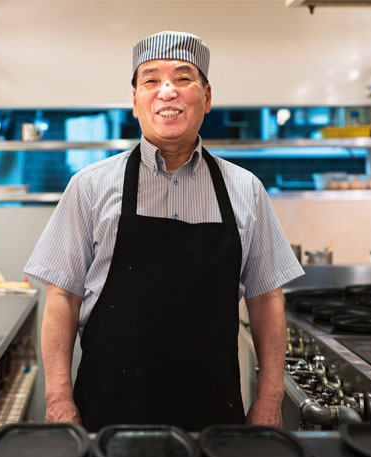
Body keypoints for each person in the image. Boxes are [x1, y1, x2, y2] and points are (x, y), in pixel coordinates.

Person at [24, 31, 304, 432]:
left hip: (213, 415)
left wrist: (270, 398)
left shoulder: (246, 190)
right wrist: (58, 399)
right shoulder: (90, 186)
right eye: (151, 80)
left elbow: (266, 300)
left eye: (183, 78)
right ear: (135, 101)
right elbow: (61, 299)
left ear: (206, 98)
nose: (166, 91)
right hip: (109, 414)